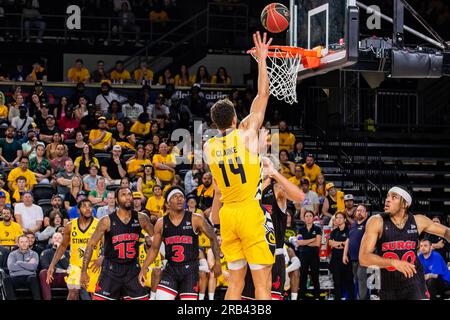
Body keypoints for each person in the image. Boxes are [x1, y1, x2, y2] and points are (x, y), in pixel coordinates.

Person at [205, 32, 275, 300]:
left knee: (234, 284)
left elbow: (220, 185)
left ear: (215, 124)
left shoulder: (208, 148)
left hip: (227, 216)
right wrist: (262, 60)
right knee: (261, 284)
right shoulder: (245, 132)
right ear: (236, 118)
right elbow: (263, 94)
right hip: (248, 212)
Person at [359, 186, 450, 300]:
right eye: (387, 196)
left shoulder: (418, 221)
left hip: (414, 282)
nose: (387, 200)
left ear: (405, 204)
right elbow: (363, 258)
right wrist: (393, 263)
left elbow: (446, 232)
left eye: (394, 197)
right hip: (387, 284)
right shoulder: (376, 221)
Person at [138, 186, 221, 300]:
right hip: (171, 269)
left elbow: (213, 237)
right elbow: (154, 249)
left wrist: (217, 261)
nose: (179, 199)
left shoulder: (195, 219)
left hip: (190, 271)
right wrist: (144, 268)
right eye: (175, 197)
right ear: (168, 203)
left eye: (181, 196)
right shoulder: (161, 223)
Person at [242, 156, 305, 300]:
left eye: (266, 165)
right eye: (259, 165)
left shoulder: (277, 189)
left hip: (274, 255)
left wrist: (276, 174)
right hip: (251, 254)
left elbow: (300, 197)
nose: (261, 168)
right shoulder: (248, 192)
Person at [80, 187, 154, 300]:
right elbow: (91, 244)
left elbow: (157, 240)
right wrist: (84, 271)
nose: (128, 197)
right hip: (111, 270)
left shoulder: (141, 218)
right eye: (123, 194)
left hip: (133, 270)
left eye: (129, 194)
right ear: (116, 200)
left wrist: (146, 263)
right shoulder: (106, 221)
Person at [46, 199, 101, 300]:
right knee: (73, 293)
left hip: (93, 266)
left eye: (90, 206)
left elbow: (107, 245)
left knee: (95, 296)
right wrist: (52, 265)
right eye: (84, 206)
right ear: (78, 210)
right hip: (75, 266)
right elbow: (62, 246)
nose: (88, 208)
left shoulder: (99, 225)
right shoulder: (70, 226)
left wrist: (102, 258)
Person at [343, 204, 369, 300]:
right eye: (358, 210)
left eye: (362, 210)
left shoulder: (368, 224)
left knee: (362, 280)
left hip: (363, 259)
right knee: (357, 280)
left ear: (366, 213)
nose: (359, 212)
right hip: (353, 258)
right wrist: (345, 255)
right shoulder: (353, 225)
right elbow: (348, 240)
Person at [3, 235, 41, 300]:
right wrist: (28, 264)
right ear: (18, 244)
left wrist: (19, 263)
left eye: (26, 241)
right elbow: (11, 267)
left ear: (28, 243)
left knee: (33, 279)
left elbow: (33, 267)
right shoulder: (12, 254)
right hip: (15, 278)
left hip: (29, 277)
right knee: (6, 280)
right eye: (22, 242)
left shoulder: (34, 254)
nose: (24, 244)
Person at [294, 210, 321, 300]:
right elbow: (299, 242)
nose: (308, 217)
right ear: (304, 218)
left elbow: (317, 244)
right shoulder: (300, 229)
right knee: (303, 277)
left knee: (315, 276)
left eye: (310, 216)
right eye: (306, 216)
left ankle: (317, 296)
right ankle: (302, 297)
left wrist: (305, 242)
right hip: (303, 255)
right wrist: (311, 240)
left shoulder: (317, 229)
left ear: (313, 218)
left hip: (314, 255)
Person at [329, 211, 354, 300]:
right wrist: (341, 244)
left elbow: (348, 243)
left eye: (340, 217)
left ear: (344, 219)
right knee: (337, 281)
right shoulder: (334, 231)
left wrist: (337, 244)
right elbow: (330, 243)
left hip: (346, 258)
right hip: (335, 258)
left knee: (348, 281)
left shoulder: (349, 230)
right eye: (337, 218)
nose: (338, 219)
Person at [38, 232, 69, 300]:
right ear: (52, 240)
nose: (57, 239)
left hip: (65, 279)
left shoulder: (67, 253)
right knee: (43, 272)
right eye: (55, 238)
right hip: (51, 278)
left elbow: (68, 267)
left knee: (74, 274)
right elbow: (45, 266)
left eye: (59, 238)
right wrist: (62, 270)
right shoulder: (45, 252)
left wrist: (60, 252)